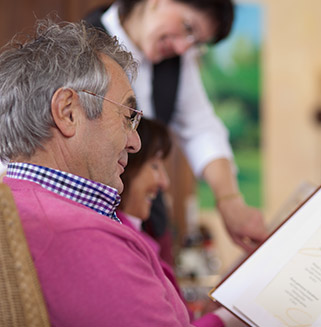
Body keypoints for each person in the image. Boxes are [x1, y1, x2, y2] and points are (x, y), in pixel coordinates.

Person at [0, 18, 194, 326]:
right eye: (127, 116)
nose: (135, 142)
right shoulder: (79, 234)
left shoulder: (18, 204)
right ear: (67, 112)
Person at [84, 0, 268, 252]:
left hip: (150, 223)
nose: (183, 47)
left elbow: (200, 128)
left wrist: (230, 203)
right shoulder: (82, 45)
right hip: (95, 222)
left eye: (195, 43)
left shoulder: (177, 60)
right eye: (188, 27)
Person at [118, 117, 244, 326]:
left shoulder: (141, 235)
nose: (165, 182)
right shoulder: (124, 245)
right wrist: (226, 317)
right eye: (155, 165)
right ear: (125, 165)